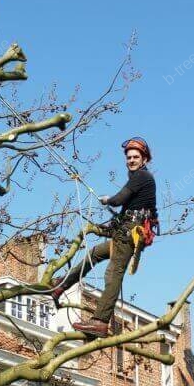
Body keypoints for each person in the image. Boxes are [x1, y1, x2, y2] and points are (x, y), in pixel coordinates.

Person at [51, 136, 157, 338]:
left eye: (135, 157)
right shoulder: (138, 180)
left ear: (144, 159)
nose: (131, 160)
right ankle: (61, 285)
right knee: (94, 254)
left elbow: (119, 200)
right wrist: (107, 227)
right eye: (129, 157)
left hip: (129, 236)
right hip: (123, 232)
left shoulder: (142, 177)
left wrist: (108, 199)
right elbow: (127, 211)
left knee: (113, 274)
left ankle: (100, 321)